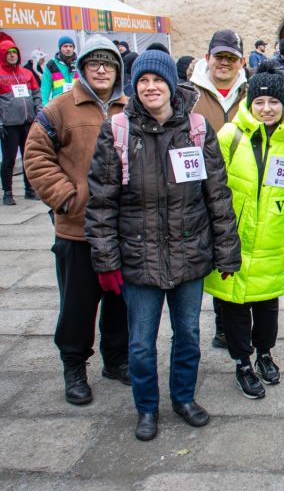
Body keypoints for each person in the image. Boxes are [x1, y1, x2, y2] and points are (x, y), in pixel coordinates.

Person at [85, 49, 241, 441]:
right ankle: (147, 407)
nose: (150, 87)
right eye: (143, 81)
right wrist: (106, 261)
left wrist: (226, 250)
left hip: (189, 252)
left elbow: (217, 196)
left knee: (187, 334)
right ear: (134, 86)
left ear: (171, 85)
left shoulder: (196, 128)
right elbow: (101, 201)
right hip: (139, 256)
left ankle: (184, 398)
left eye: (157, 80)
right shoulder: (118, 131)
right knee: (140, 343)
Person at [24, 36, 130, 405]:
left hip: (121, 228)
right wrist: (66, 198)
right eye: (94, 63)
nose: (101, 69)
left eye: (108, 63)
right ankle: (74, 365)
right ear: (82, 67)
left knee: (121, 302)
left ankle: (116, 360)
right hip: (77, 229)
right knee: (78, 304)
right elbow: (36, 155)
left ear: (117, 70)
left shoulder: (128, 108)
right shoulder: (60, 108)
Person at [205, 72, 284, 399]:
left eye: (274, 102)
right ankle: (242, 363)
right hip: (232, 237)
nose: (267, 108)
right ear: (250, 103)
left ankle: (264, 353)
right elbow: (212, 188)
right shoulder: (229, 136)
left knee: (267, 304)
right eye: (260, 102)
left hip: (272, 238)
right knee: (234, 305)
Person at [187, 29, 248, 350]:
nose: (224, 63)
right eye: (219, 56)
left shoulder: (250, 94)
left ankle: (229, 324)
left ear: (241, 61)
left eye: (231, 58)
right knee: (204, 253)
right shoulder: (189, 94)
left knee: (233, 252)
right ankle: (208, 322)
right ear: (207, 57)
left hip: (240, 189)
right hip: (197, 189)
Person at [0, 39, 42, 205]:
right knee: (9, 160)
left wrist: (39, 113)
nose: (12, 56)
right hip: (9, 124)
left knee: (28, 157)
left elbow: (36, 94)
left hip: (28, 122)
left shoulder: (26, 73)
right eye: (9, 53)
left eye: (14, 53)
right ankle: (8, 193)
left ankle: (30, 189)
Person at [40, 36, 78, 105]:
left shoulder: (79, 63)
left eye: (71, 46)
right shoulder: (51, 64)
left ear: (73, 48)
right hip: (59, 105)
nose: (68, 49)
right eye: (65, 46)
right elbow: (45, 87)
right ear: (60, 48)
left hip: (77, 103)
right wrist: (45, 105)